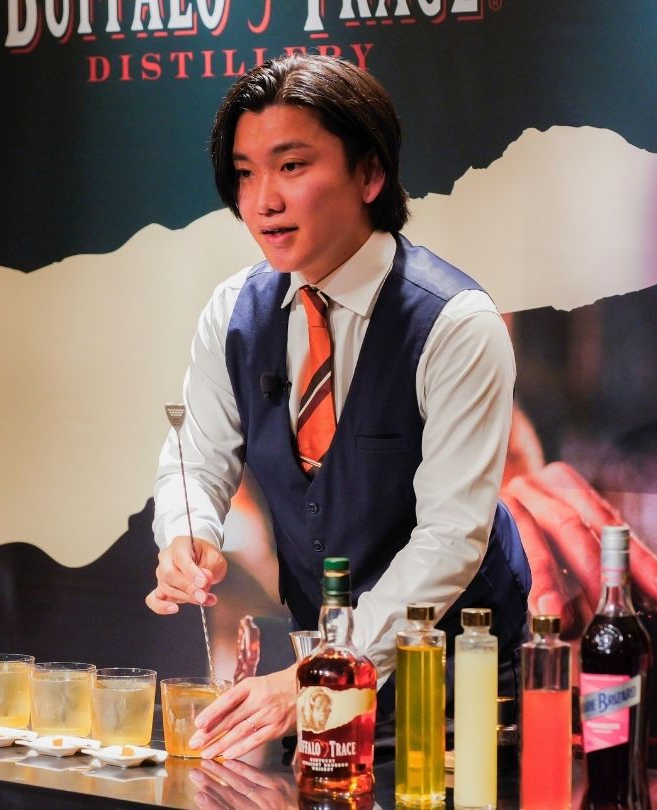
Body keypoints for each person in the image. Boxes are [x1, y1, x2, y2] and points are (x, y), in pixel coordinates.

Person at [146, 53, 530, 759]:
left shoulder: (456, 324)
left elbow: (450, 537)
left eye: (291, 166)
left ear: (370, 174)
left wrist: (320, 674)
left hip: (451, 684)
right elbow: (194, 458)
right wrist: (185, 535)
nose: (262, 200)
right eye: (245, 173)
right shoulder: (234, 312)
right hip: (311, 683)